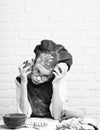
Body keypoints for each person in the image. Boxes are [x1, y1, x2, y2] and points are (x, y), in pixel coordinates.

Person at [15, 40, 83, 120]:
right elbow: (23, 115)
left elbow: (57, 116)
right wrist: (24, 83)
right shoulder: (21, 79)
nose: (38, 78)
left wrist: (55, 85)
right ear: (33, 63)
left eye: (46, 76)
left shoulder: (58, 79)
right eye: (37, 71)